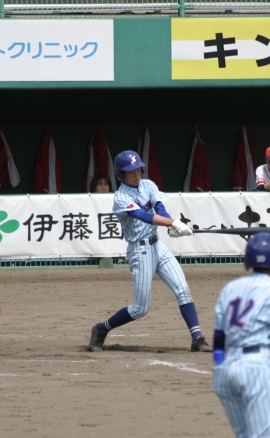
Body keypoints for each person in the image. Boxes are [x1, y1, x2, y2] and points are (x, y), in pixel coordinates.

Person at [88, 150, 212, 353]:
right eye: (131, 172)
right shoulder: (120, 197)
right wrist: (173, 223)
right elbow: (142, 215)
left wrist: (170, 224)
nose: (136, 174)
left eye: (138, 170)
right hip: (140, 250)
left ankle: (197, 338)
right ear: (120, 175)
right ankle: (101, 329)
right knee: (140, 308)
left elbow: (159, 208)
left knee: (183, 290)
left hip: (158, 245)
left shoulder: (148, 185)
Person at [212, 232, 270, 438]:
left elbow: (218, 337)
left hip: (225, 370)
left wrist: (219, 365)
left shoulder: (230, 288)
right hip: (255, 366)